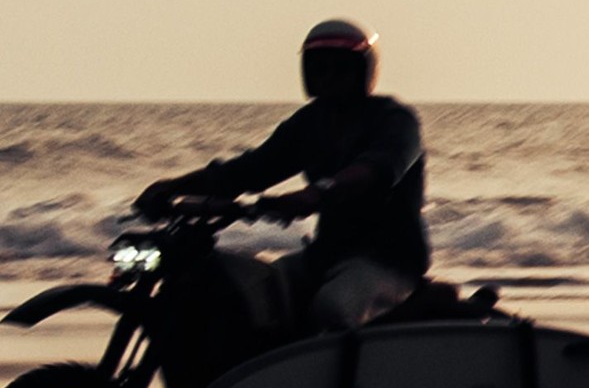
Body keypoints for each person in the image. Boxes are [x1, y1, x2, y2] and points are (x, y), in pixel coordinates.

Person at [137, 19, 433, 332]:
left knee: (334, 308)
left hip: (388, 262)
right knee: (247, 295)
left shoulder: (396, 121)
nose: (329, 78)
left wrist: (318, 192)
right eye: (319, 69)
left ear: (363, 71)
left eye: (340, 69)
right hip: (324, 255)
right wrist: (173, 187)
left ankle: (350, 381)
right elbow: (248, 171)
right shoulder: (310, 123)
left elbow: (376, 169)